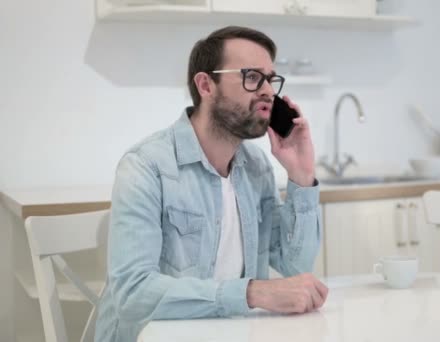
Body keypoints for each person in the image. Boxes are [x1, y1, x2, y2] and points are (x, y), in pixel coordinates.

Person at [94, 26, 328, 342]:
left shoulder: (256, 167)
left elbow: (294, 265)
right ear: (206, 85)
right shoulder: (146, 166)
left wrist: (301, 173)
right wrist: (251, 293)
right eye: (252, 77)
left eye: (270, 80)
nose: (268, 92)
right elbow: (133, 294)